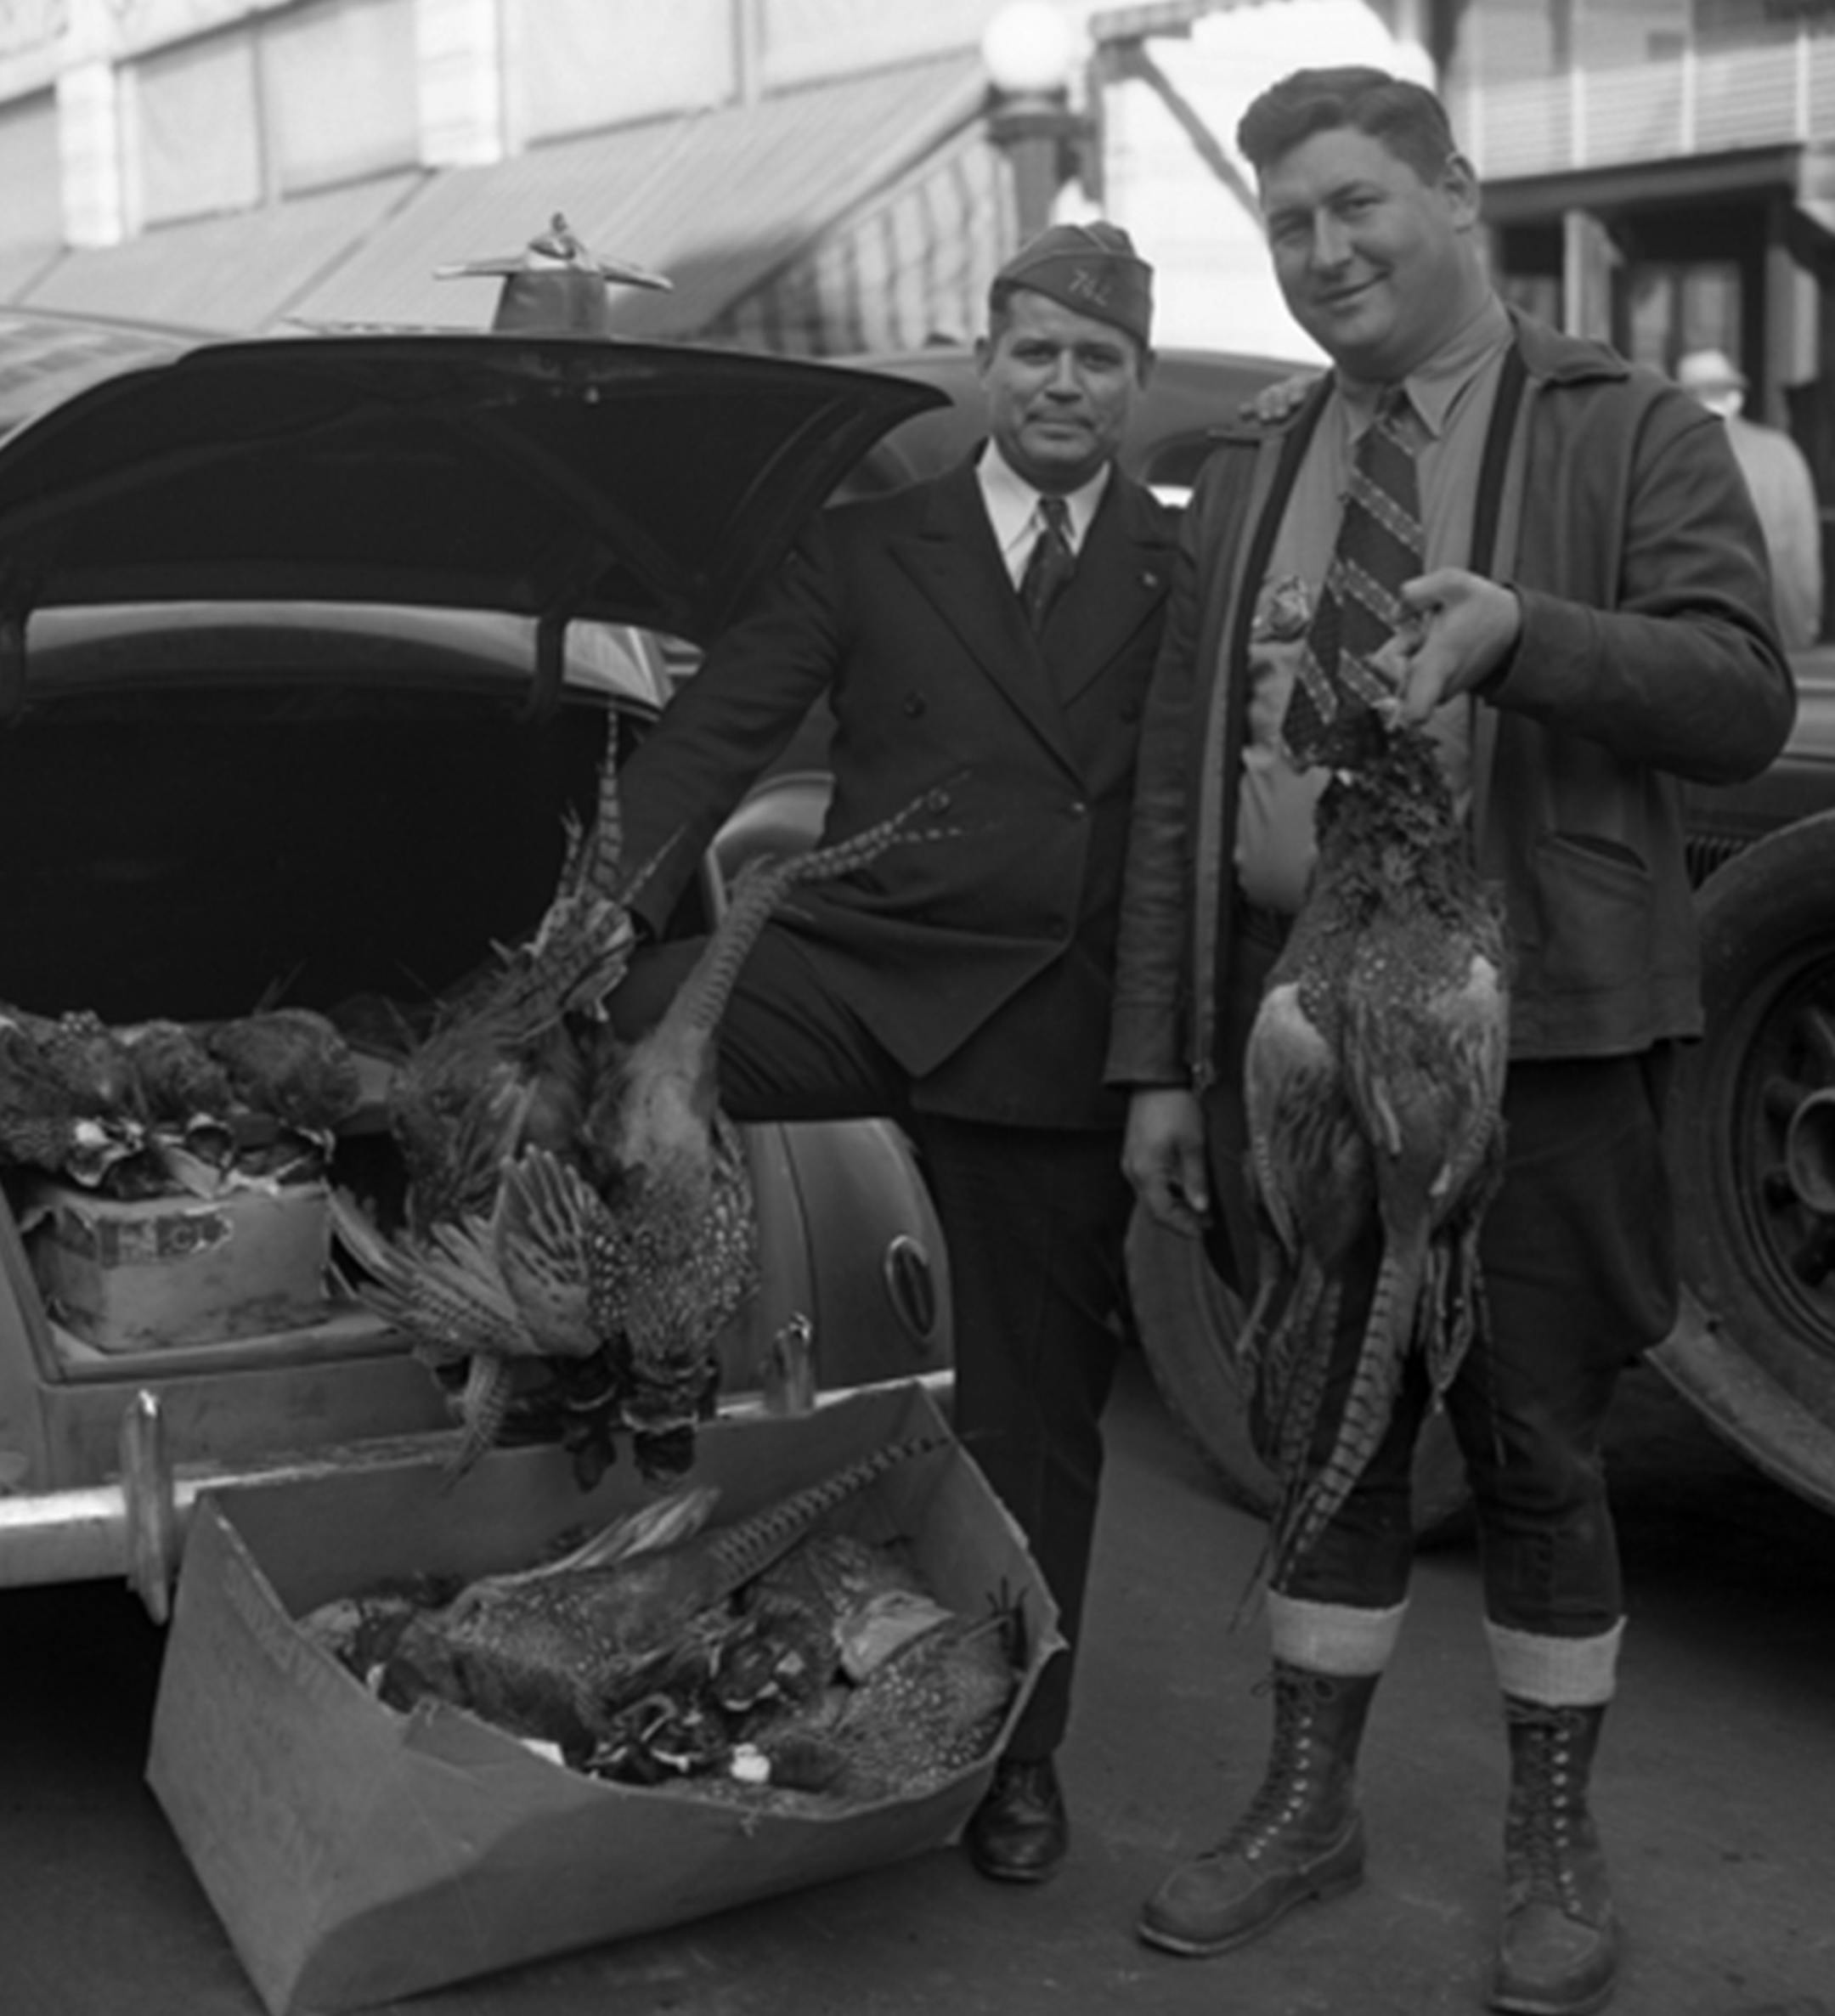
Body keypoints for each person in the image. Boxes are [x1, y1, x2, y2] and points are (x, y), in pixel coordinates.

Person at [1107, 67, 1795, 2016]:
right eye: (1287, 224)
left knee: (1537, 1450)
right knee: (1317, 1444)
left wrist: (1523, 636)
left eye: (1351, 206)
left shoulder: (1619, 425)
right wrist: (1159, 1059)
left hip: (1543, 1042)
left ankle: (1551, 1842)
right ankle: (1303, 1807)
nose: (1320, 252)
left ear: (1451, 193)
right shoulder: (1246, 464)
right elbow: (1181, 785)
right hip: (1298, 1048)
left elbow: (1739, 696)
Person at [607, 222, 1178, 1883]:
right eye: (1036, 348)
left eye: (1098, 356)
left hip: (1054, 1013)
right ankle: (641, 1382)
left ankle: (1013, 1752)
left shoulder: (1180, 570)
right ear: (986, 362)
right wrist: (593, 914)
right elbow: (714, 735)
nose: (1062, 380)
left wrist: (1177, 1058)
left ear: (1131, 384)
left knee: (1035, 1413)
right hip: (860, 962)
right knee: (629, 1018)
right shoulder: (871, 546)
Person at [1676, 346, 1824, 650]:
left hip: (1704, 638)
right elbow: (1805, 550)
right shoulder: (1781, 451)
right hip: (1780, 631)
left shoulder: (1675, 456)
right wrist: (1809, 616)